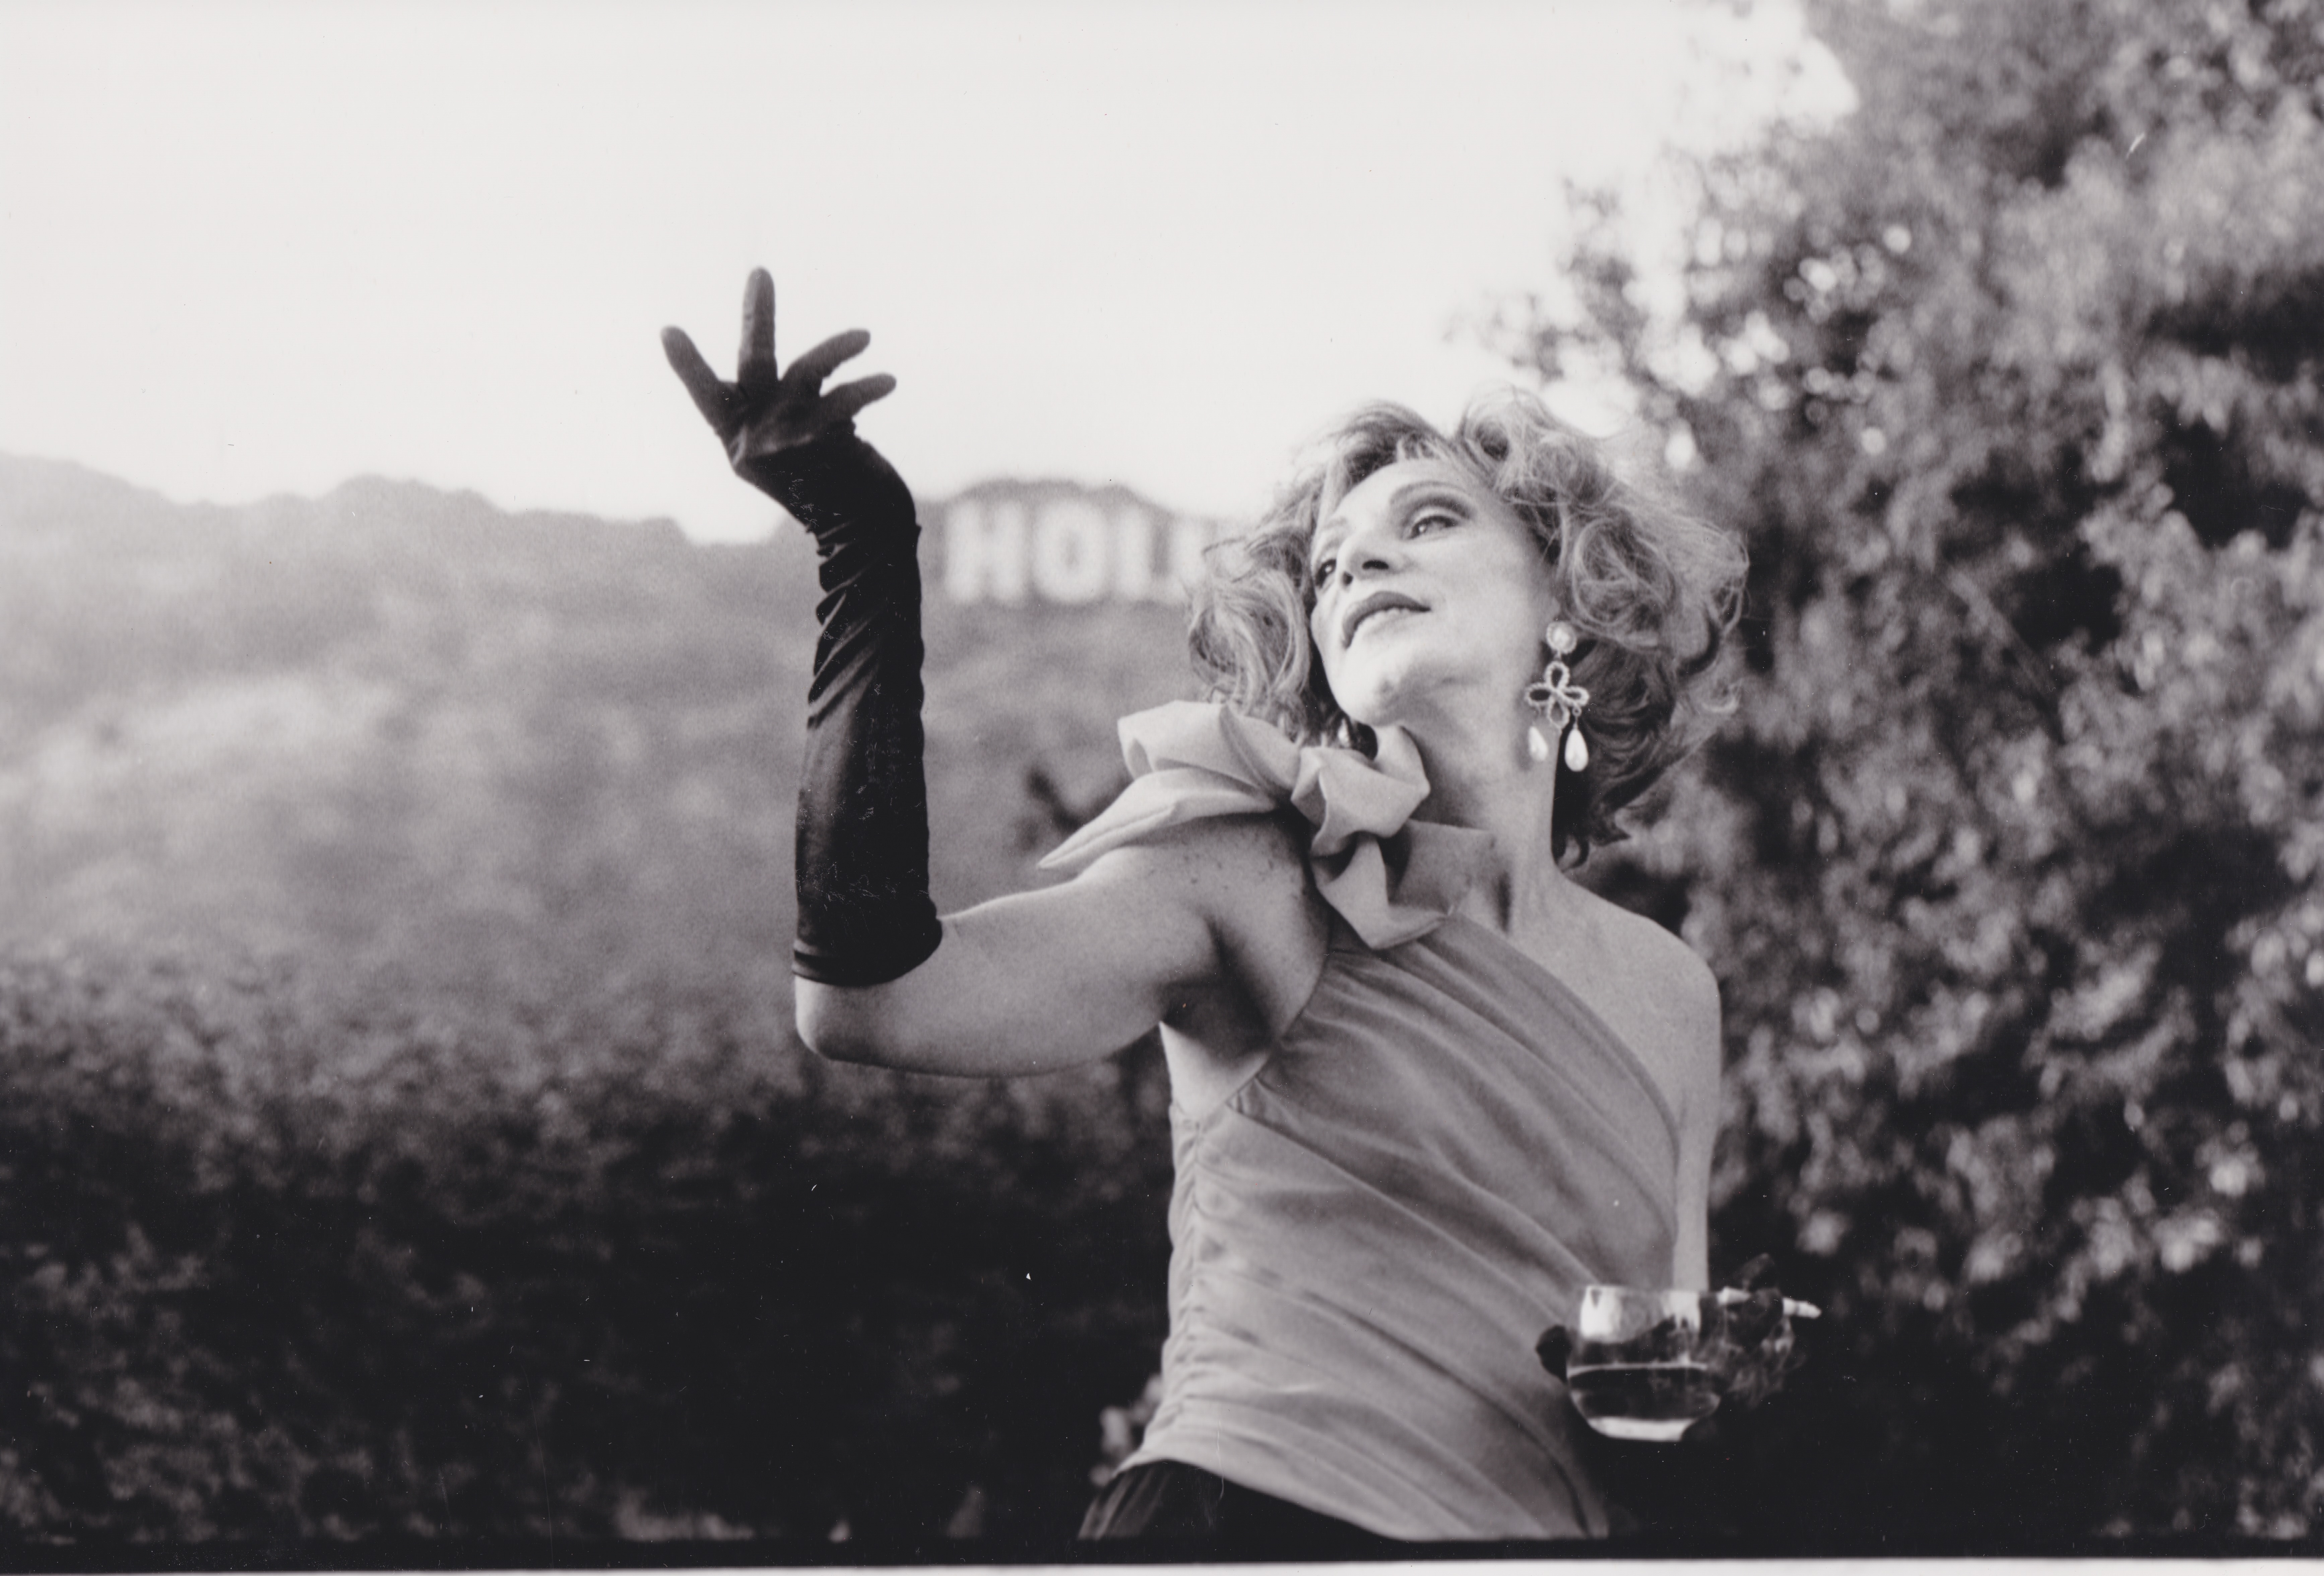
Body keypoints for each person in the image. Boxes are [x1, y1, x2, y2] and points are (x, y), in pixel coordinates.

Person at [663, 270, 1773, 1550]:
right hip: (1243, 1526)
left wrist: (1727, 1396)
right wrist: (864, 544)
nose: (1361, 561)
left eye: (1427, 522)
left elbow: (1660, 1377)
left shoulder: (1673, 995)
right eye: (1334, 562)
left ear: (1570, 604)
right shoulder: (1251, 870)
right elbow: (868, 998)